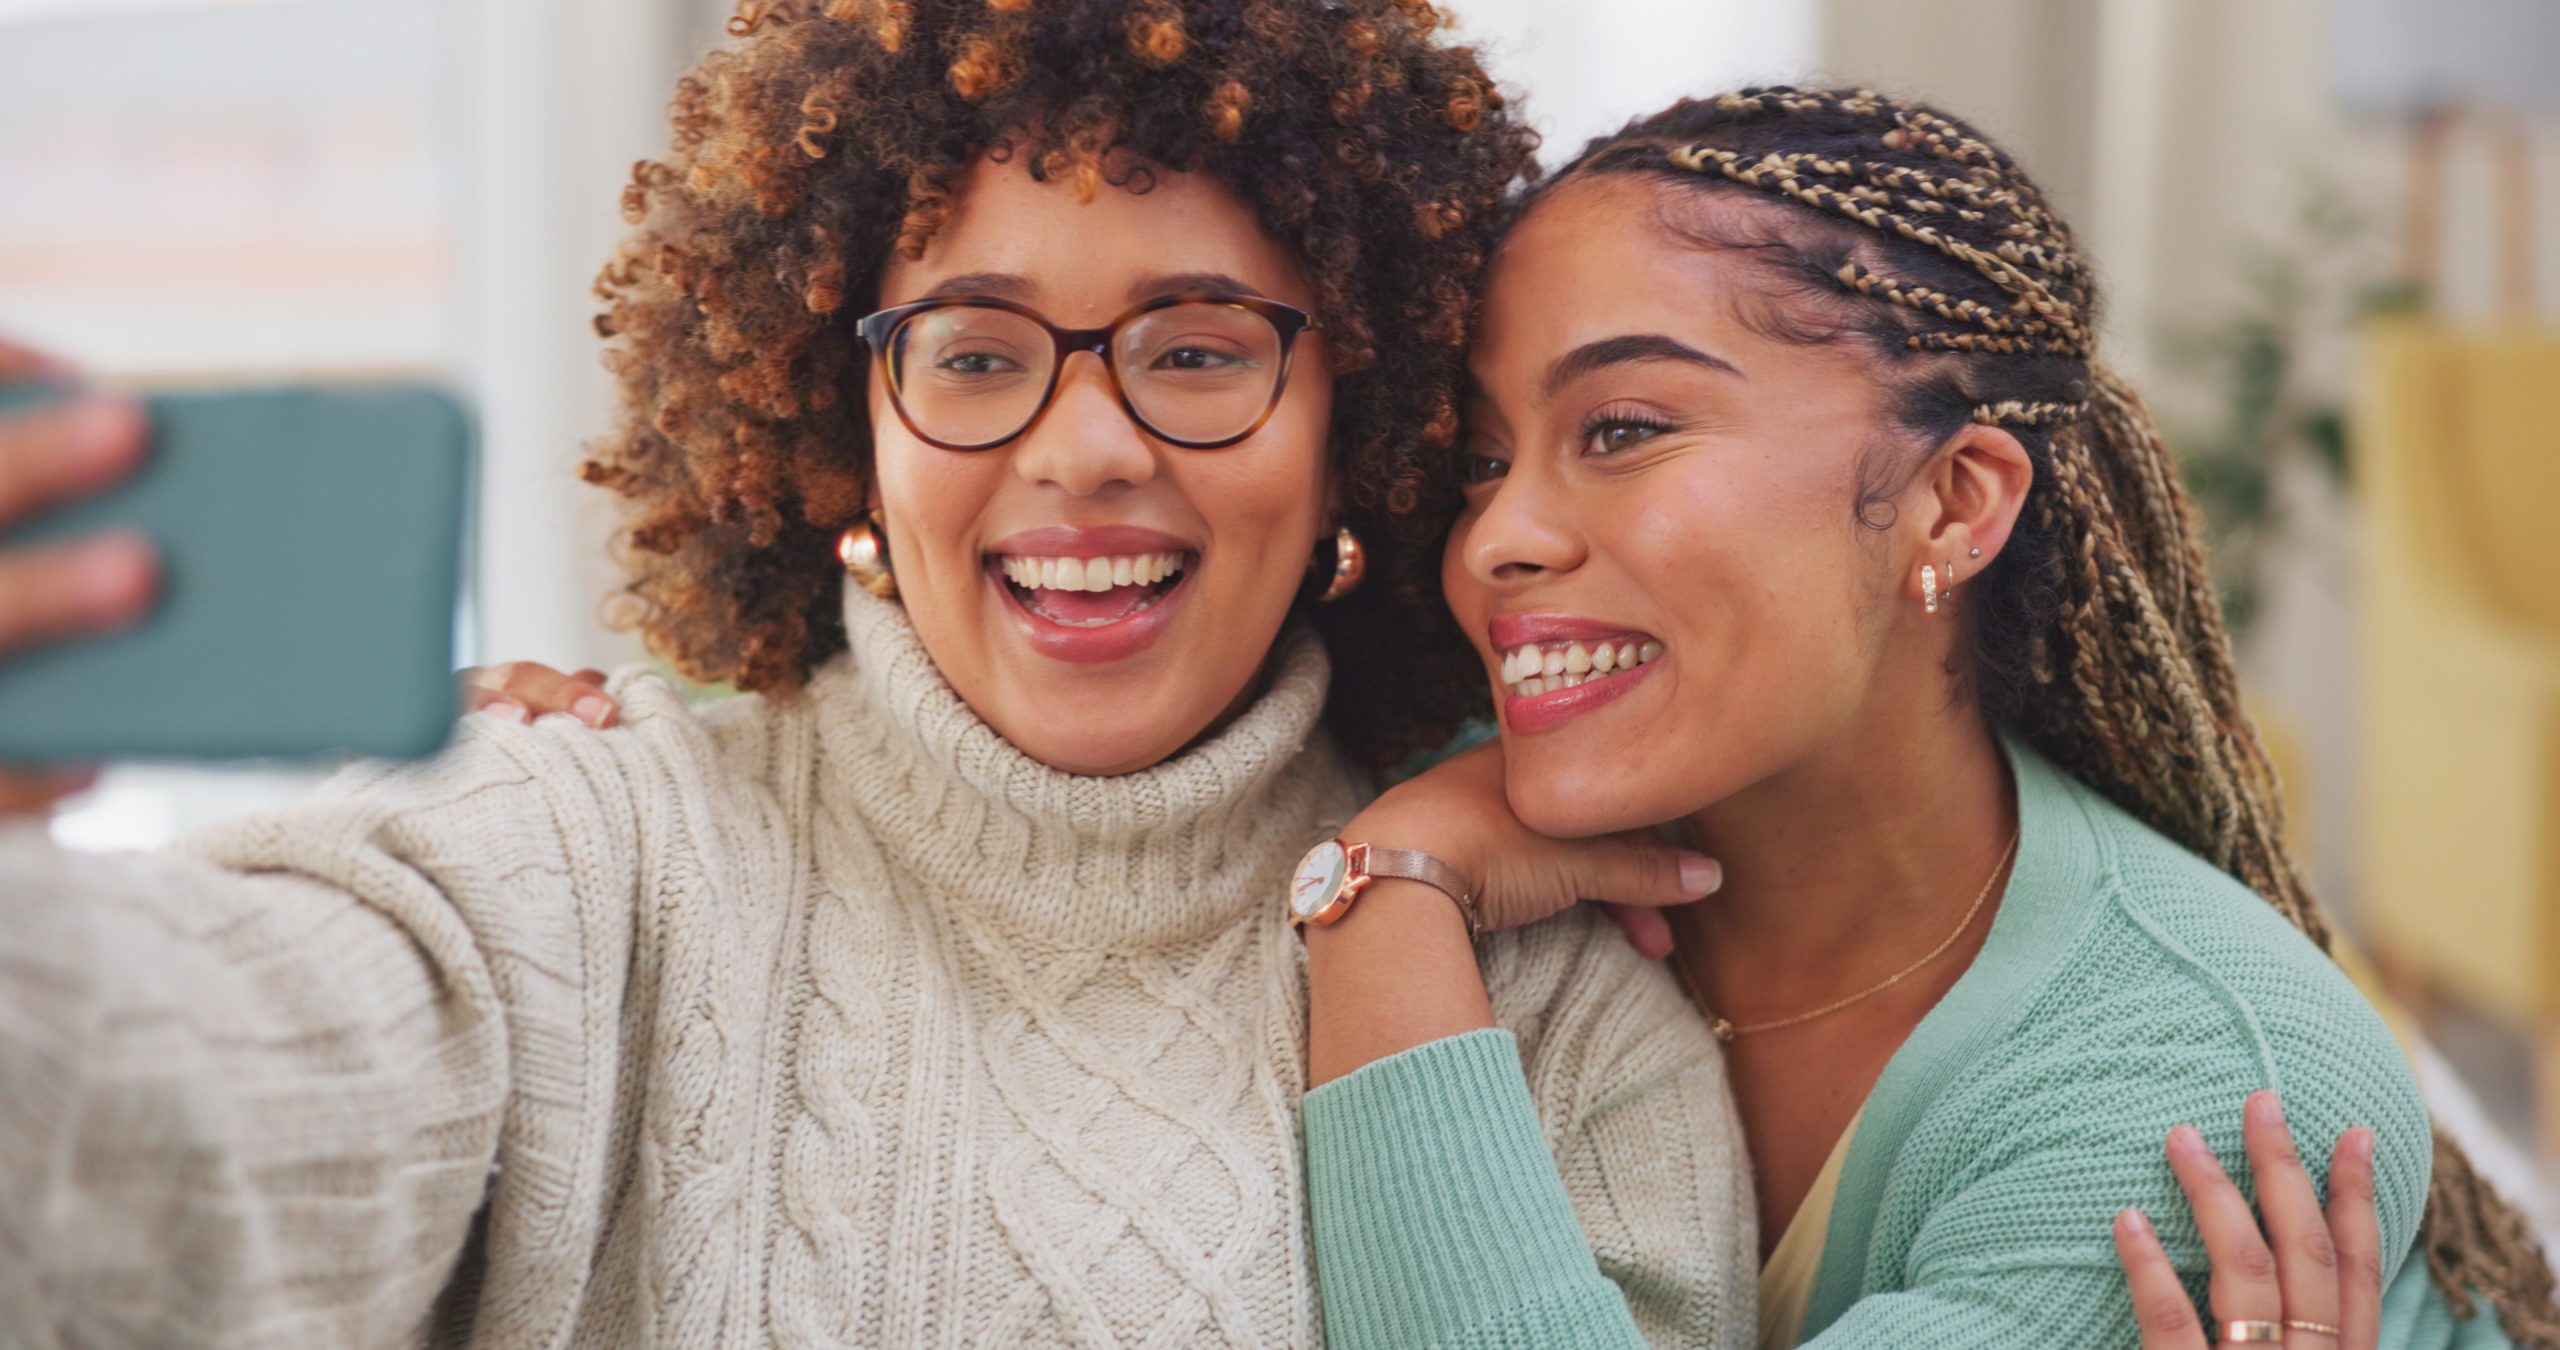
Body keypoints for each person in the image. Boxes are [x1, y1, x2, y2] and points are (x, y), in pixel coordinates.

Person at [0, 4, 1763, 1345]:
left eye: (1201, 350)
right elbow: (164, 1149)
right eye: (976, 352)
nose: (1083, 449)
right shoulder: (580, 840)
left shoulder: (1549, 1016)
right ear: (847, 428)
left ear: (1356, 431)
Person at [1283, 88, 2560, 1348]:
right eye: (1483, 462)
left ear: (1954, 504)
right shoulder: (1447, 828)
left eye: (1620, 429)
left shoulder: (2203, 1082)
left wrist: (1378, 906)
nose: (1496, 538)